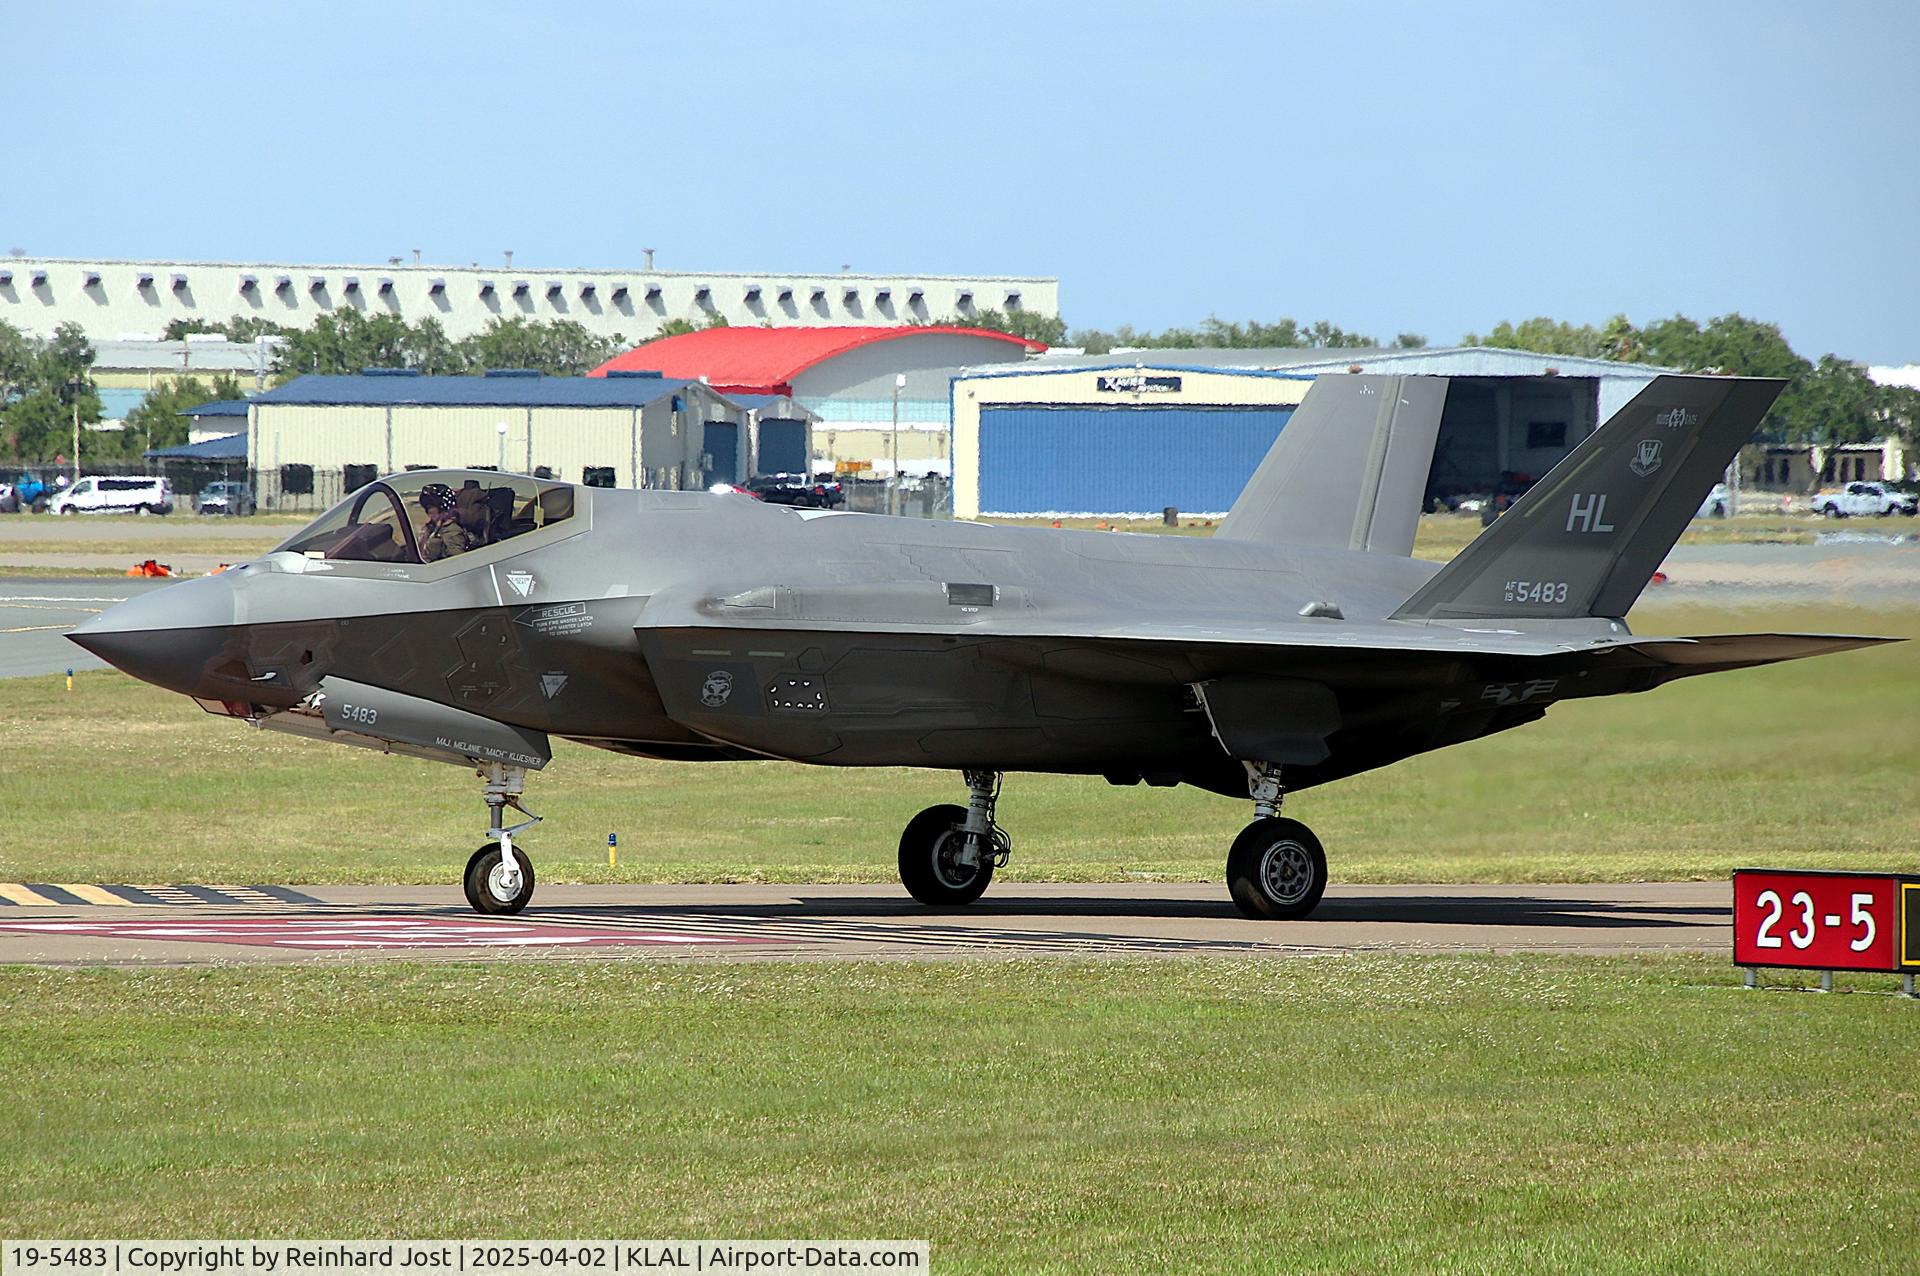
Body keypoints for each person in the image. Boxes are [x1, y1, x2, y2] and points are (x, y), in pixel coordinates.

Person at [417, 483, 475, 562]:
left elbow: (458, 564)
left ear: (442, 509)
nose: (427, 512)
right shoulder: (432, 528)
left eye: (430, 507)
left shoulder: (452, 532)